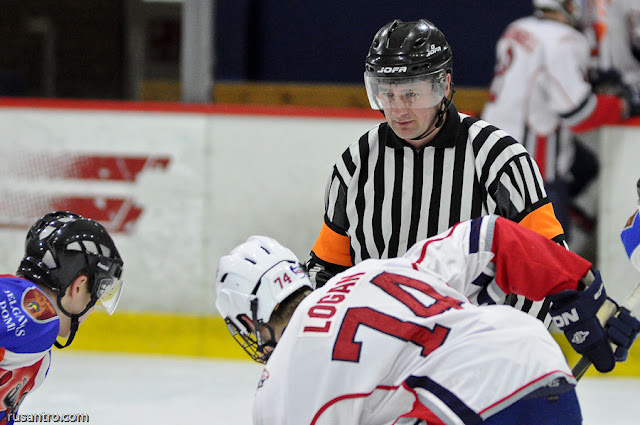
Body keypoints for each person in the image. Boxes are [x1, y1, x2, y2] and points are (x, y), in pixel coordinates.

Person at [216, 216, 640, 425]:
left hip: (459, 409)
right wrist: (582, 295)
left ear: (252, 322)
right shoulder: (376, 271)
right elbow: (493, 237)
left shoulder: (280, 385)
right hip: (541, 369)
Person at [307, 18, 565, 326]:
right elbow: (328, 270)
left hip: (473, 347)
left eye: (411, 95)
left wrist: (513, 339)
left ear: (442, 85)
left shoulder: (499, 157)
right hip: (382, 348)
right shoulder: (355, 164)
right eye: (386, 94)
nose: (398, 110)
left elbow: (549, 260)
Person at [481, 0, 638, 243]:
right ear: (568, 5)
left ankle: (580, 217)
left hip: (492, 149)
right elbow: (578, 113)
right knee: (549, 256)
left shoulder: (517, 27)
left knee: (586, 168)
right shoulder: (564, 39)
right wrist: (623, 105)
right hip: (534, 164)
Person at [0, 211, 124, 424]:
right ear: (79, 286)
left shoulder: (39, 357)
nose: (93, 308)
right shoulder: (38, 320)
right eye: (96, 292)